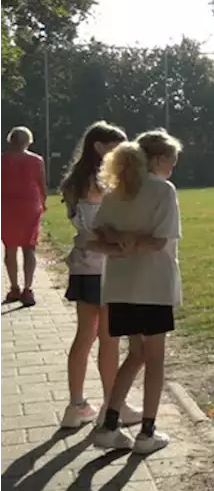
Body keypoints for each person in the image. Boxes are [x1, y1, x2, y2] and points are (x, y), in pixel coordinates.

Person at [90, 129, 184, 455]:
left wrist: (121, 236)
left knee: (135, 354)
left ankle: (109, 425)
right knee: (155, 358)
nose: (173, 168)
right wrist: (135, 240)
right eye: (171, 161)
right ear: (158, 159)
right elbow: (161, 241)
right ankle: (147, 432)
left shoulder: (118, 190)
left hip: (120, 285)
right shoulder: (162, 190)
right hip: (153, 285)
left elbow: (99, 228)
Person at [58, 121, 144, 430]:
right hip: (103, 266)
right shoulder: (99, 182)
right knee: (109, 340)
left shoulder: (73, 180)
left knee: (85, 336)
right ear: (99, 146)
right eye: (116, 145)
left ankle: (77, 404)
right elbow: (101, 227)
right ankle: (113, 405)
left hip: (83, 266)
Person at [0, 126, 46, 307]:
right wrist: (44, 203)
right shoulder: (37, 160)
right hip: (30, 206)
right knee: (29, 248)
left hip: (6, 207)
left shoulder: (1, 160)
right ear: (29, 141)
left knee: (10, 249)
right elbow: (42, 184)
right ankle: (28, 289)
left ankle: (14, 287)